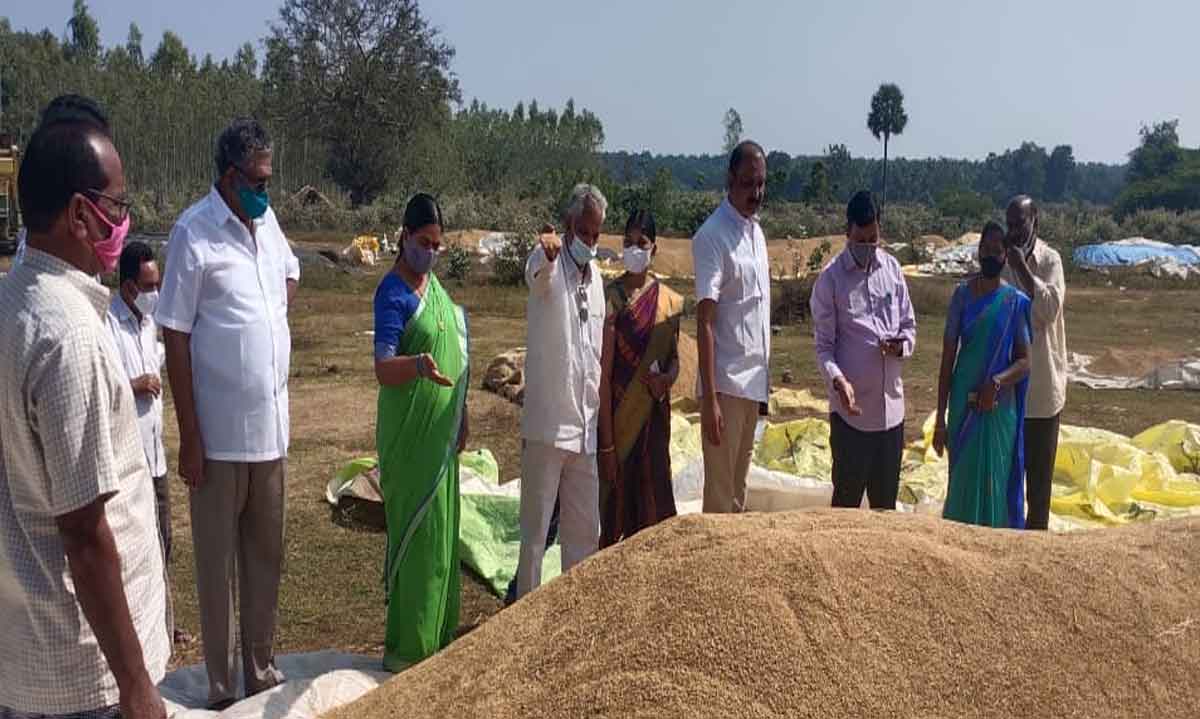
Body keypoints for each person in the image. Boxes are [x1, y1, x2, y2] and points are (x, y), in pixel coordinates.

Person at [0, 102, 168, 719]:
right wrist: (136, 686)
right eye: (117, 208)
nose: (123, 223)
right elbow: (85, 534)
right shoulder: (69, 335)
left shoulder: (10, 301)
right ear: (79, 214)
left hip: (25, 656)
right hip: (84, 678)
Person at [156, 118, 299, 709]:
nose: (267, 190)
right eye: (259, 179)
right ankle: (220, 685)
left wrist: (268, 316)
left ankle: (260, 671)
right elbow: (175, 336)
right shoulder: (194, 234)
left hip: (271, 431)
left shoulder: (267, 226)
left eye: (270, 178)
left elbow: (289, 273)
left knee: (266, 560)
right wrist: (189, 435)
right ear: (229, 176)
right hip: (215, 439)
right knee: (217, 570)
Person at [373, 193, 469, 671]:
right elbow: (382, 368)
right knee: (416, 541)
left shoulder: (437, 293)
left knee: (442, 538)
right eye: (423, 242)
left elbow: (457, 359)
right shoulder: (393, 293)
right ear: (404, 237)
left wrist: (461, 415)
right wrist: (415, 365)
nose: (430, 252)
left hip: (441, 441)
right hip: (410, 443)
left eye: (437, 245)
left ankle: (438, 638)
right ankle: (409, 651)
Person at [515, 183, 608, 599]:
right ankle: (521, 626)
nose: (590, 241)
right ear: (569, 225)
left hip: (585, 429)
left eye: (596, 235)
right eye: (584, 232)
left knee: (584, 534)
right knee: (535, 538)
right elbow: (536, 275)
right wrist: (548, 255)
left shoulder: (598, 278)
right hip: (549, 427)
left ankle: (576, 621)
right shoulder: (547, 262)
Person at [106, 241, 191, 646]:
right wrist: (133, 385)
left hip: (155, 456)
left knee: (164, 538)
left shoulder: (147, 323)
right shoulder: (107, 324)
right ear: (127, 287)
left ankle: (162, 621)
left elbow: (161, 355)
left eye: (157, 283)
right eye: (148, 285)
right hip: (126, 458)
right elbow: (100, 386)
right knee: (132, 545)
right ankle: (135, 626)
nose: (155, 291)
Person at [810, 191, 917, 510]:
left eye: (873, 239)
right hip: (852, 419)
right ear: (847, 232)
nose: (867, 247)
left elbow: (910, 326)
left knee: (885, 509)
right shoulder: (830, 281)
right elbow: (824, 348)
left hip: (891, 416)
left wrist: (901, 346)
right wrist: (837, 381)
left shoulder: (893, 270)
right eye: (860, 240)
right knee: (846, 510)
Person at [935, 222, 1032, 528]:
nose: (990, 255)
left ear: (1006, 255)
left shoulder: (1014, 303)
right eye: (985, 250)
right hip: (964, 405)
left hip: (998, 409)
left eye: (996, 250)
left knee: (995, 488)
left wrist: (997, 382)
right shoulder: (961, 297)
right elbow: (947, 360)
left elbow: (1025, 361)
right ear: (978, 252)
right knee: (962, 485)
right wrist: (940, 419)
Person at [692, 140, 771, 513]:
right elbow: (704, 321)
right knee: (722, 501)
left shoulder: (757, 234)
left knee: (739, 496)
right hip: (725, 385)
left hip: (753, 385)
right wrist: (709, 400)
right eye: (747, 183)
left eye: (760, 184)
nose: (755, 193)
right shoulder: (712, 236)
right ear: (729, 179)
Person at [597, 209, 681, 546]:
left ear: (654, 249)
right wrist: (605, 443)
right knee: (615, 504)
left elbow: (674, 360)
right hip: (618, 419)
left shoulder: (670, 302)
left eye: (641, 243)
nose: (634, 249)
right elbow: (602, 374)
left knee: (653, 500)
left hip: (654, 416)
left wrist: (668, 380)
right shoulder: (609, 298)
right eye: (628, 242)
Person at [1001, 195, 1067, 530]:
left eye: (1020, 224)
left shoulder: (1050, 260)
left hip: (1041, 395)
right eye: (1009, 224)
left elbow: (1047, 311)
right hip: (1007, 395)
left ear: (1034, 222)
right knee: (1007, 482)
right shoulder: (1001, 262)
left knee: (1038, 490)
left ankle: (1038, 554)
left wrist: (1022, 269)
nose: (1013, 231)